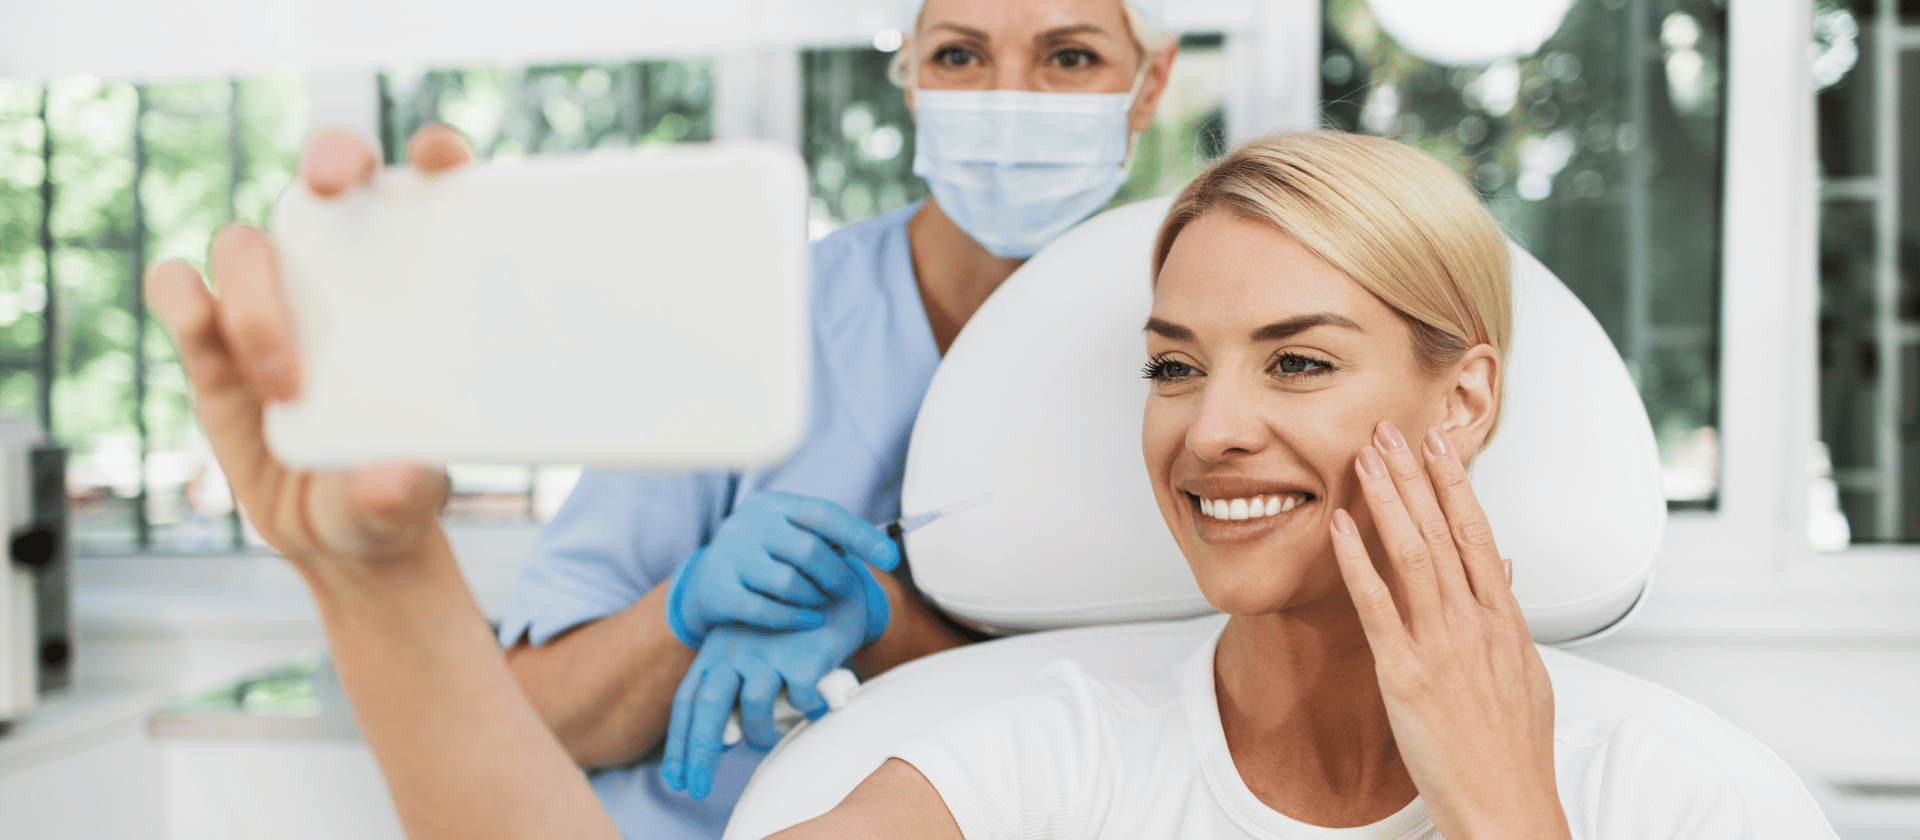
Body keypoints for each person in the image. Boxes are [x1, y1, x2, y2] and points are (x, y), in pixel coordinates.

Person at [150, 128, 1755, 840]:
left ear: (1464, 396)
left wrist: (1505, 813)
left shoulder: (1684, 798)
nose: (1210, 433)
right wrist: (379, 587)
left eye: (1303, 361)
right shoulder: (1037, 761)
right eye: (1174, 365)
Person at [186, 1, 1177, 837]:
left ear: (1150, 83)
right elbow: (538, 719)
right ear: (910, 78)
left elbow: (1204, 713)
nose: (1009, 102)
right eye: (959, 55)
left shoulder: (1206, 350)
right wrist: (683, 610)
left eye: (1070, 55)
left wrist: (888, 629)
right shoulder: (754, 316)